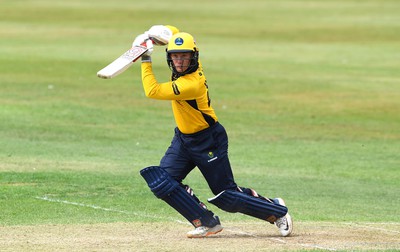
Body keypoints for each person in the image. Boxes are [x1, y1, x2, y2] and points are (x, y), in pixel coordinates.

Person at [135, 25, 293, 238]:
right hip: (183, 139)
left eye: (184, 57)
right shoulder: (185, 63)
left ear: (194, 57)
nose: (179, 62)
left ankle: (276, 211)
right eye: (175, 57)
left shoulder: (191, 83)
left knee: (227, 196)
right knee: (162, 182)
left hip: (208, 140)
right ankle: (206, 222)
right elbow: (175, 34)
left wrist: (145, 59)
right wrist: (153, 34)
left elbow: (152, 90)